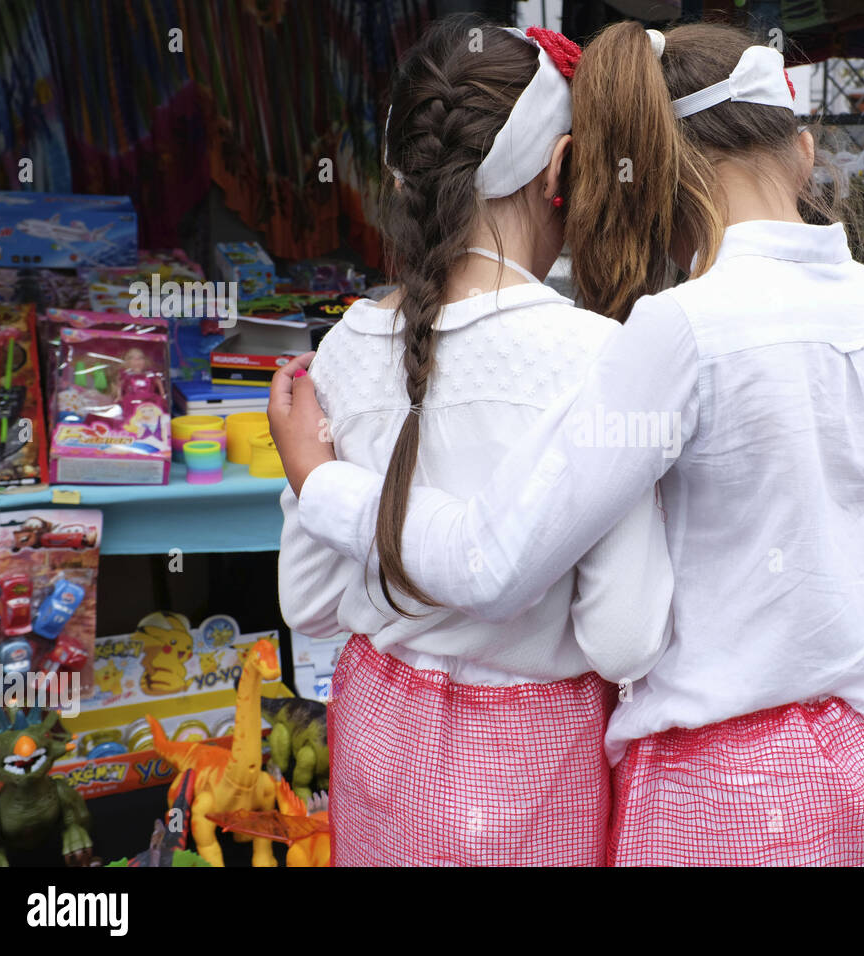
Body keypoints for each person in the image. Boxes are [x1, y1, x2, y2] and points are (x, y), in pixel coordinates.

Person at [272, 20, 864, 866]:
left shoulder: (668, 335)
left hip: (695, 793)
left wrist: (319, 483)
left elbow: (466, 570)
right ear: (805, 150)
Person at [274, 15, 673, 867]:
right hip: (533, 776)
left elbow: (306, 603)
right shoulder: (598, 358)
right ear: (561, 168)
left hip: (377, 750)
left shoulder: (342, 348)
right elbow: (625, 636)